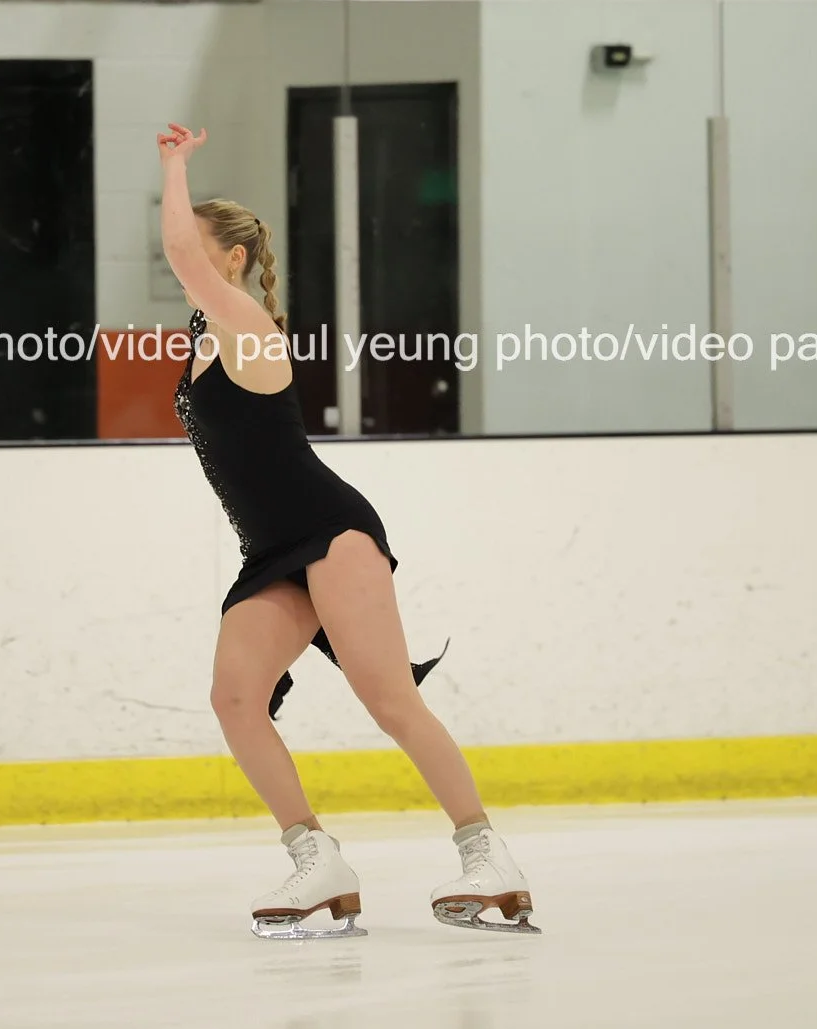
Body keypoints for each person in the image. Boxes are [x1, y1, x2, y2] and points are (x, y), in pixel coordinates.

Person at [155, 120, 539, 940]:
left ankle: (487, 853)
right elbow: (185, 258)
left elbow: (182, 253)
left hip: (331, 532)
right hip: (272, 551)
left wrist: (175, 165)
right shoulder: (203, 336)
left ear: (232, 260)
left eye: (200, 251)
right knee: (234, 697)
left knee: (390, 699)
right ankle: (316, 857)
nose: (181, 262)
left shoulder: (246, 324)